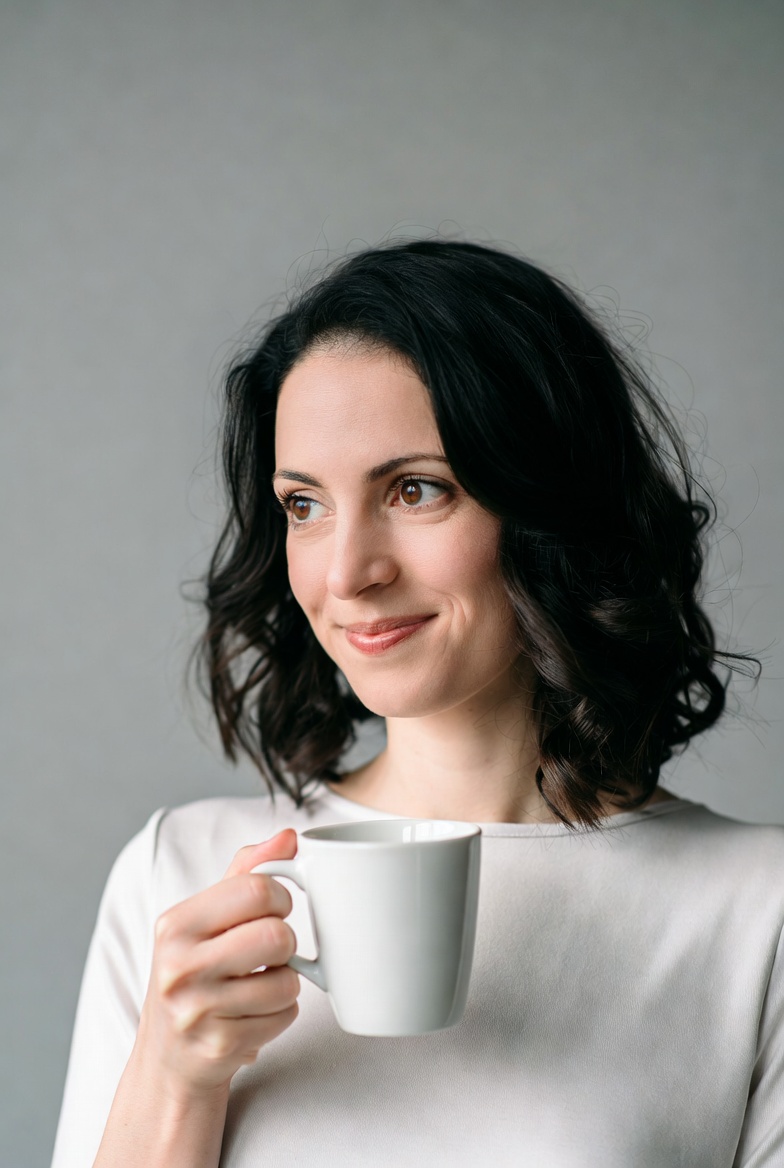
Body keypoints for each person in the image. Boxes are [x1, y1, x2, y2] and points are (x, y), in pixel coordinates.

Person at [52, 239, 783, 1168]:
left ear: (548, 510)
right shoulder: (181, 880)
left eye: (415, 490)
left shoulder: (758, 913)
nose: (350, 573)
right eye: (304, 504)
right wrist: (173, 1076)